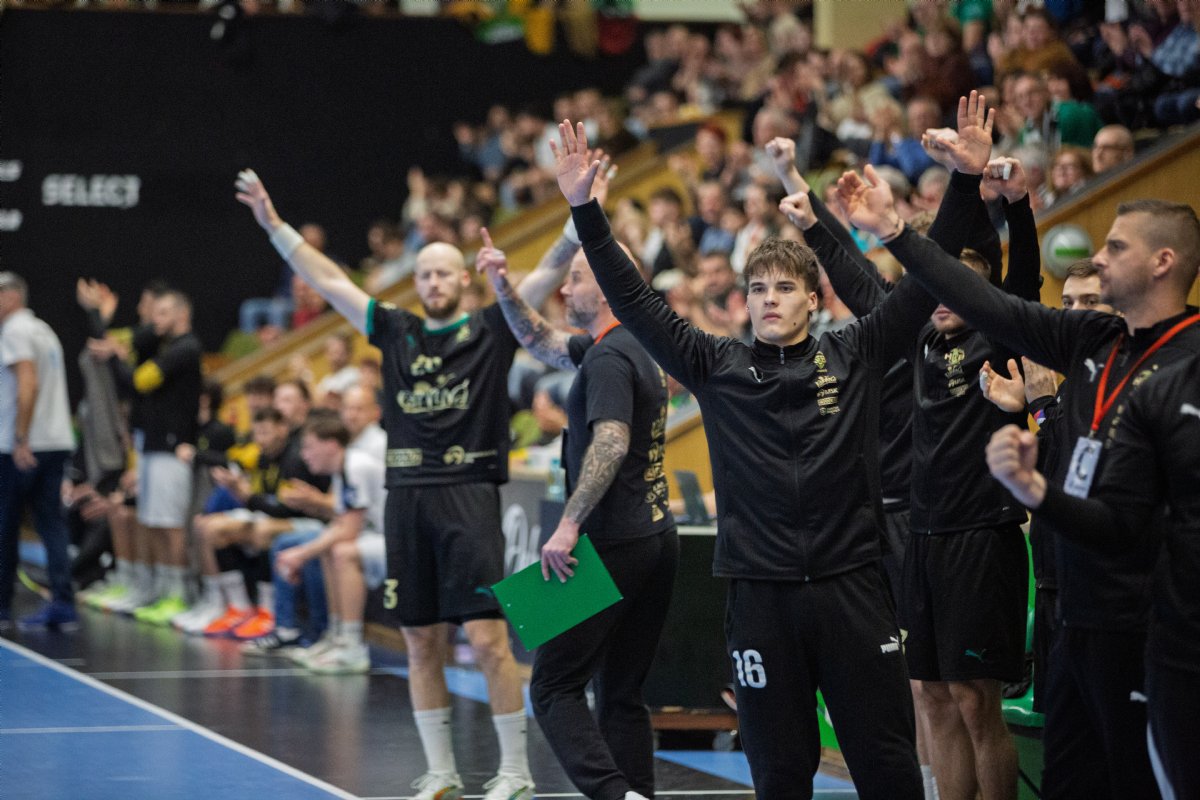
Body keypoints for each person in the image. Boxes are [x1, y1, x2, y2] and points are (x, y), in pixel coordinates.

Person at [552, 119, 932, 799]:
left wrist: (928, 208)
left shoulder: (855, 352)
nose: (769, 300)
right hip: (759, 597)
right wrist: (584, 209)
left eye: (783, 289)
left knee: (887, 767)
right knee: (779, 774)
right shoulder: (715, 363)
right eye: (758, 289)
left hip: (852, 589)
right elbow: (634, 301)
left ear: (813, 300)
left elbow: (921, 291)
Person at [846, 128, 1200, 798]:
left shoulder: (1189, 363)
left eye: (1115, 247)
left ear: (1162, 262)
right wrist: (894, 231)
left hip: (1154, 618)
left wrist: (1032, 486)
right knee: (1066, 778)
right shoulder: (1092, 337)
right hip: (1074, 608)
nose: (1097, 257)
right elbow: (986, 300)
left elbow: (1137, 518)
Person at [235, 167, 573, 800]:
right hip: (407, 499)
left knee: (487, 639)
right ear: (415, 284)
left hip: (469, 495)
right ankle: (442, 772)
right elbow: (329, 280)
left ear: (464, 278)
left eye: (444, 273)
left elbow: (547, 273)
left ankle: (515, 772)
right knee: (419, 640)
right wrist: (275, 226)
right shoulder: (395, 330)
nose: (433, 283)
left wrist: (581, 214)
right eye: (424, 275)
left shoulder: (492, 326)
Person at [476, 226, 678, 800]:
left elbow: (611, 441)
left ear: (609, 286)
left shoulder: (610, 357)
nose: (564, 290)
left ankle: (615, 795)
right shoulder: (628, 343)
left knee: (552, 686)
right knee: (620, 691)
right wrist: (502, 287)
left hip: (610, 542)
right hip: (656, 538)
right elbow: (540, 341)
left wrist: (567, 524)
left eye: (576, 278)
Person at [986, 352, 1200, 800]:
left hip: (1120, 604)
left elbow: (1090, 481)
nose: (1078, 316)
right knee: (1068, 757)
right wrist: (1030, 411)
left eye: (1090, 306)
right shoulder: (1075, 389)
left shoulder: (1143, 387)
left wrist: (1041, 407)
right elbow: (1059, 471)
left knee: (1123, 759)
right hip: (1058, 588)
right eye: (1069, 307)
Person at [94, 289, 203, 625]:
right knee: (152, 521)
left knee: (171, 525)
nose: (156, 319)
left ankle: (179, 594)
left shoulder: (186, 348)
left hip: (173, 448)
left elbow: (140, 381)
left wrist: (116, 356)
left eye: (164, 312)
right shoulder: (165, 347)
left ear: (182, 314)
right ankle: (157, 589)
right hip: (154, 447)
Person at [271, 414, 387, 674]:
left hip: (395, 540)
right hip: (375, 537)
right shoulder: (342, 469)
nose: (304, 455)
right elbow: (339, 523)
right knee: (327, 550)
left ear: (331, 445)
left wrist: (300, 554)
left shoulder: (357, 466)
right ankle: (335, 637)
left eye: (309, 447)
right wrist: (304, 552)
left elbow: (348, 530)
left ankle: (352, 646)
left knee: (342, 552)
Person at [0, 272, 77, 629]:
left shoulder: (14, 331)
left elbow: (27, 384)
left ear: (12, 296)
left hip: (24, 445)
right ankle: (63, 602)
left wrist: (20, 438)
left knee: (6, 523)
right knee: (51, 523)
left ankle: (2, 604)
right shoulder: (43, 330)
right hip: (56, 439)